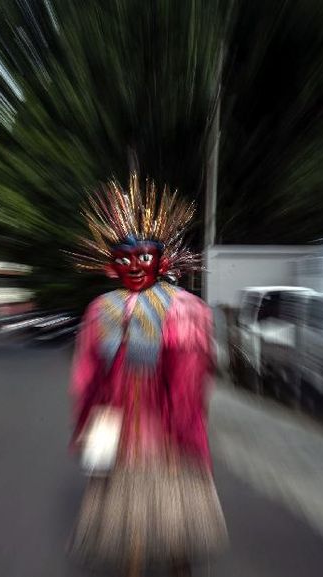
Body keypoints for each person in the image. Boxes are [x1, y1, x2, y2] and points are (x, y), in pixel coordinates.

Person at [69, 173, 227, 576]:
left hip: (168, 433)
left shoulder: (186, 309)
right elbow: (87, 378)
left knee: (175, 531)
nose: (134, 266)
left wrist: (184, 430)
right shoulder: (101, 311)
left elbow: (190, 382)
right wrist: (91, 425)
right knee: (134, 536)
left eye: (143, 257)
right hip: (121, 433)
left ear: (164, 261)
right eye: (123, 259)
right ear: (110, 266)